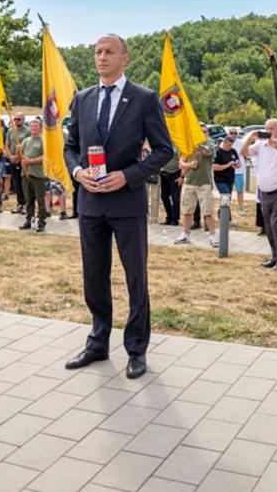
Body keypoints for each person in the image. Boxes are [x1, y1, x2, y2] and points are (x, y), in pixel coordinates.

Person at [63, 34, 173, 380]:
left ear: (125, 58)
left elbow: (163, 150)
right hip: (91, 202)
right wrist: (78, 171)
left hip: (127, 203)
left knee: (135, 277)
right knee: (93, 276)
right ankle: (97, 342)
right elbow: (71, 146)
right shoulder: (82, 99)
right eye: (97, 52)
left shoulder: (143, 98)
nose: (101, 57)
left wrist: (128, 176)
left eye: (109, 52)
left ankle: (137, 348)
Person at [241, 119, 277, 269]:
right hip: (265, 192)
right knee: (269, 227)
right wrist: (250, 138)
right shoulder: (260, 145)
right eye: (266, 129)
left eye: (272, 129)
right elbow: (243, 153)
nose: (268, 131)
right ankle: (275, 257)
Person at [175, 140, 216, 246]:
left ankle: (213, 236)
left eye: (204, 131)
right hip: (189, 183)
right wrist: (190, 165)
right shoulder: (187, 146)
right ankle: (185, 234)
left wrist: (198, 145)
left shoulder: (210, 145)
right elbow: (181, 164)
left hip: (204, 183)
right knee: (187, 210)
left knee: (208, 211)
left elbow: (208, 153)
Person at [19, 118, 47, 232]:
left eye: (36, 126)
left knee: (40, 200)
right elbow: (20, 157)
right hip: (25, 174)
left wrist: (30, 161)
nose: (34, 128)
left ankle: (41, 222)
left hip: (38, 175)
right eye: (32, 126)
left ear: (40, 128)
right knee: (28, 199)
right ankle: (29, 219)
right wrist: (18, 151)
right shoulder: (26, 141)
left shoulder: (43, 141)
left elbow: (45, 157)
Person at [4, 112, 29, 213]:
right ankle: (20, 204)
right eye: (15, 119)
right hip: (12, 160)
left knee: (24, 184)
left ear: (23, 119)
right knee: (16, 183)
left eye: (19, 119)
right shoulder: (10, 131)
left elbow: (28, 146)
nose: (17, 121)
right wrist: (10, 156)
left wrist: (18, 156)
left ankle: (27, 205)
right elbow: (6, 145)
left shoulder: (27, 131)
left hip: (23, 160)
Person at [158, 147, 181, 226]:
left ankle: (175, 219)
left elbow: (183, 159)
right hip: (164, 173)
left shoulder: (178, 143)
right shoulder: (165, 142)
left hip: (175, 173)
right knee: (164, 196)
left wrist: (181, 176)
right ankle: (169, 216)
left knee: (175, 198)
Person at [227, 126, 247, 214]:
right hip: (228, 173)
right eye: (231, 133)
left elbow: (245, 156)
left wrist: (241, 165)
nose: (233, 135)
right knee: (228, 193)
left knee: (240, 191)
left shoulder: (241, 143)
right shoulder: (225, 144)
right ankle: (226, 209)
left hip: (239, 173)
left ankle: (241, 208)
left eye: (235, 133)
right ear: (228, 134)